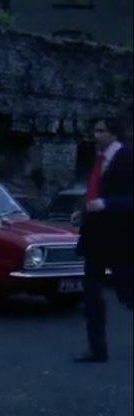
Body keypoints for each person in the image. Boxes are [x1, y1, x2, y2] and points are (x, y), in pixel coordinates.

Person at [74, 117, 133, 363]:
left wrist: (106, 204)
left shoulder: (128, 158)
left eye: (100, 131)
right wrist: (84, 211)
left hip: (120, 240)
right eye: (94, 130)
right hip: (96, 239)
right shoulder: (99, 160)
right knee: (92, 296)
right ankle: (97, 349)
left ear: (114, 134)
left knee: (128, 294)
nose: (95, 135)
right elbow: (94, 192)